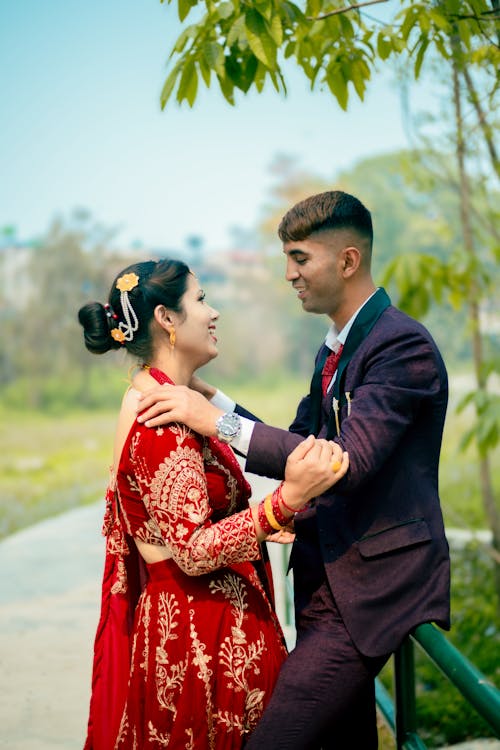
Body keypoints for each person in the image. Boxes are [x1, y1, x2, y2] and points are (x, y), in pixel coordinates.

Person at [134, 191, 451, 749]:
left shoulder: (402, 346)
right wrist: (221, 405)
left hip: (372, 593)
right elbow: (304, 442)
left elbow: (340, 463)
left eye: (300, 258)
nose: (288, 274)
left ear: (348, 261)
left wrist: (212, 423)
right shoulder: (334, 348)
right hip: (324, 581)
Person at [78, 258, 348, 750]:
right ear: (166, 318)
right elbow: (193, 550)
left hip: (199, 626)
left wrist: (259, 523)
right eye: (201, 300)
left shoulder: (162, 396)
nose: (213, 311)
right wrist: (284, 503)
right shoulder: (165, 418)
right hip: (204, 640)